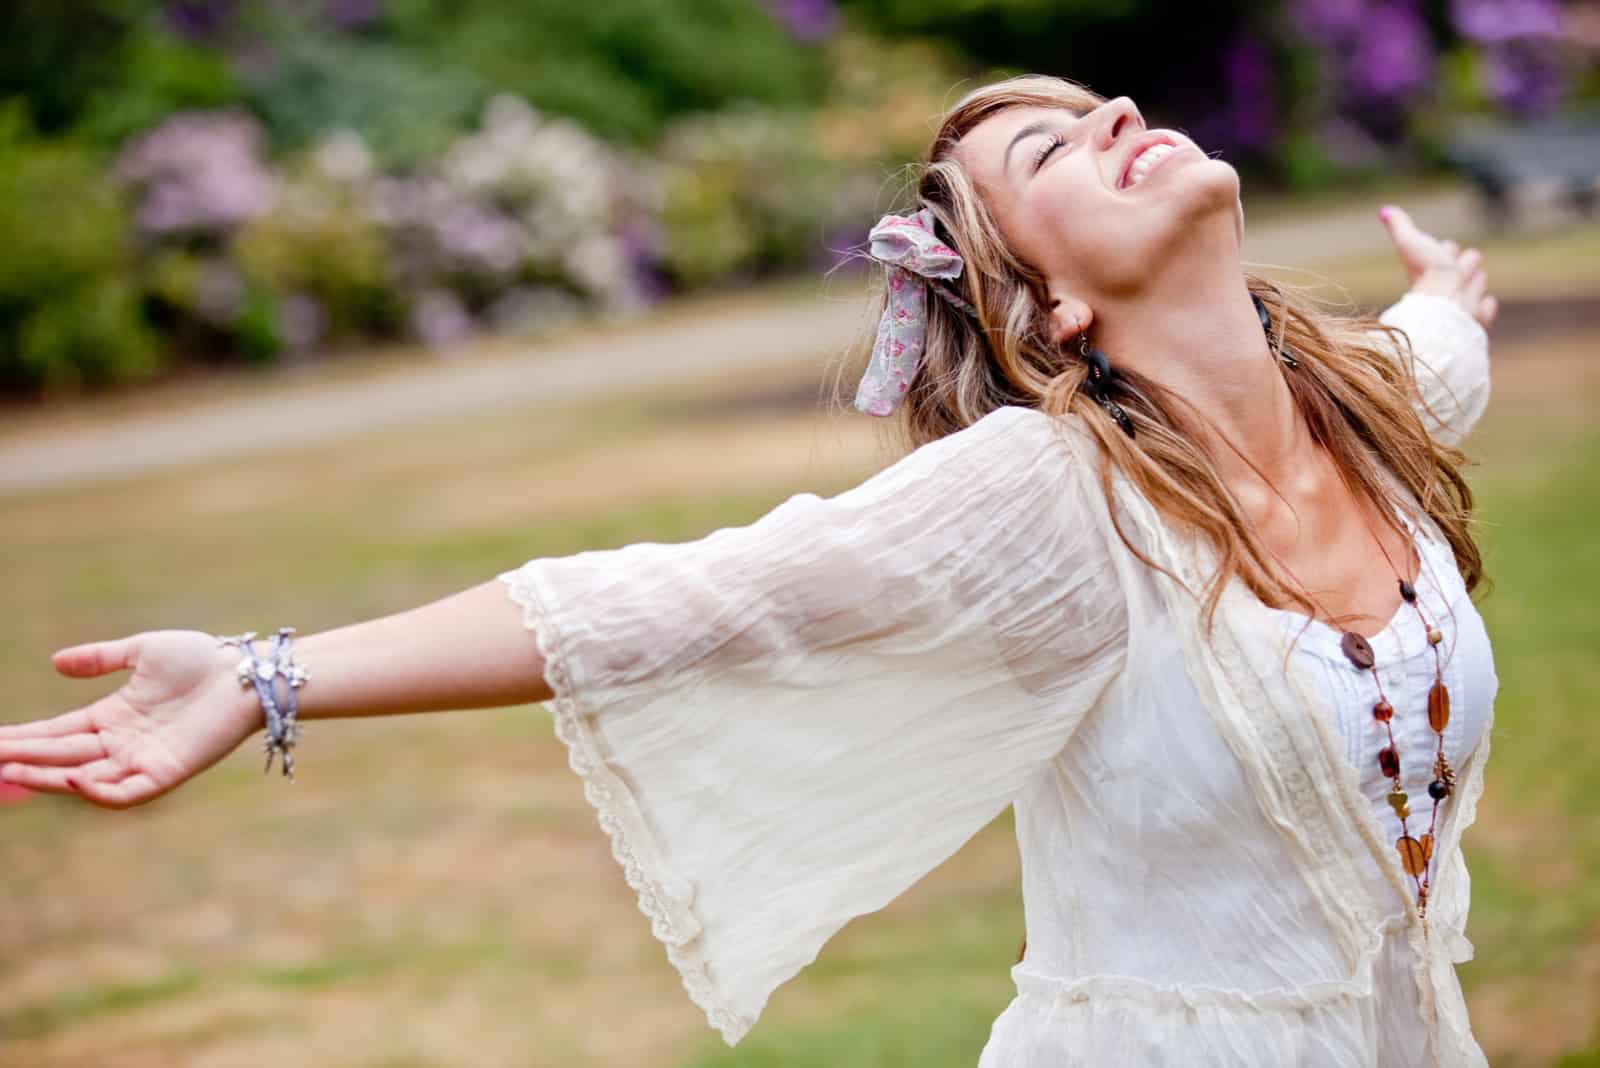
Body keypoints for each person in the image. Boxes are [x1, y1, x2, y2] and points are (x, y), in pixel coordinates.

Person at [0, 75, 1498, 1066]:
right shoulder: (1058, 505)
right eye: (1053, 149)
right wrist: (267, 676)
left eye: (1102, 105)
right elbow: (685, 598)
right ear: (1054, 310)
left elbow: (1443, 349)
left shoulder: (1368, 398)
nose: (1117, 107)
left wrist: (1445, 288)